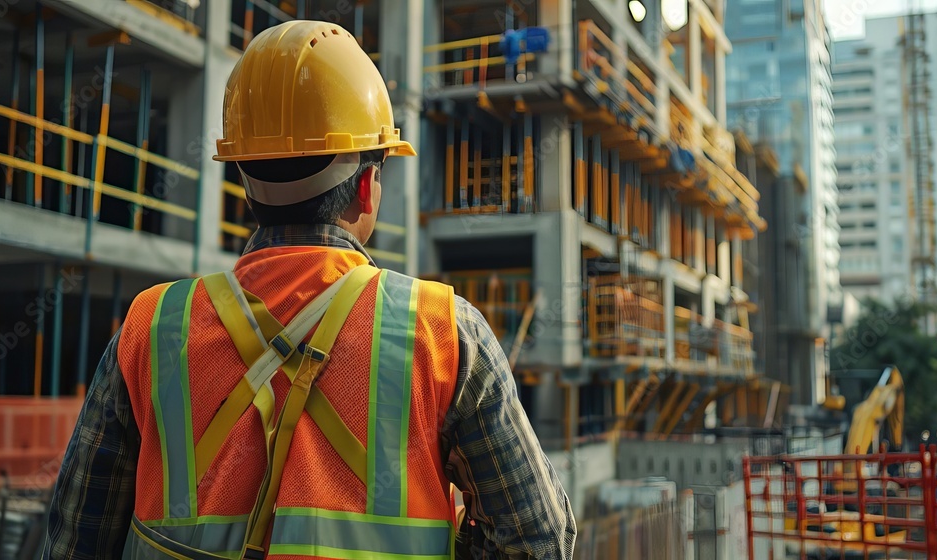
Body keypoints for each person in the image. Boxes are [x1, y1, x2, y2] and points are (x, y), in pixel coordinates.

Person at [43, 19, 575, 560]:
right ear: (367, 187)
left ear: (245, 181)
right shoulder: (443, 331)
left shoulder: (152, 327)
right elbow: (538, 539)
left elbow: (73, 541)